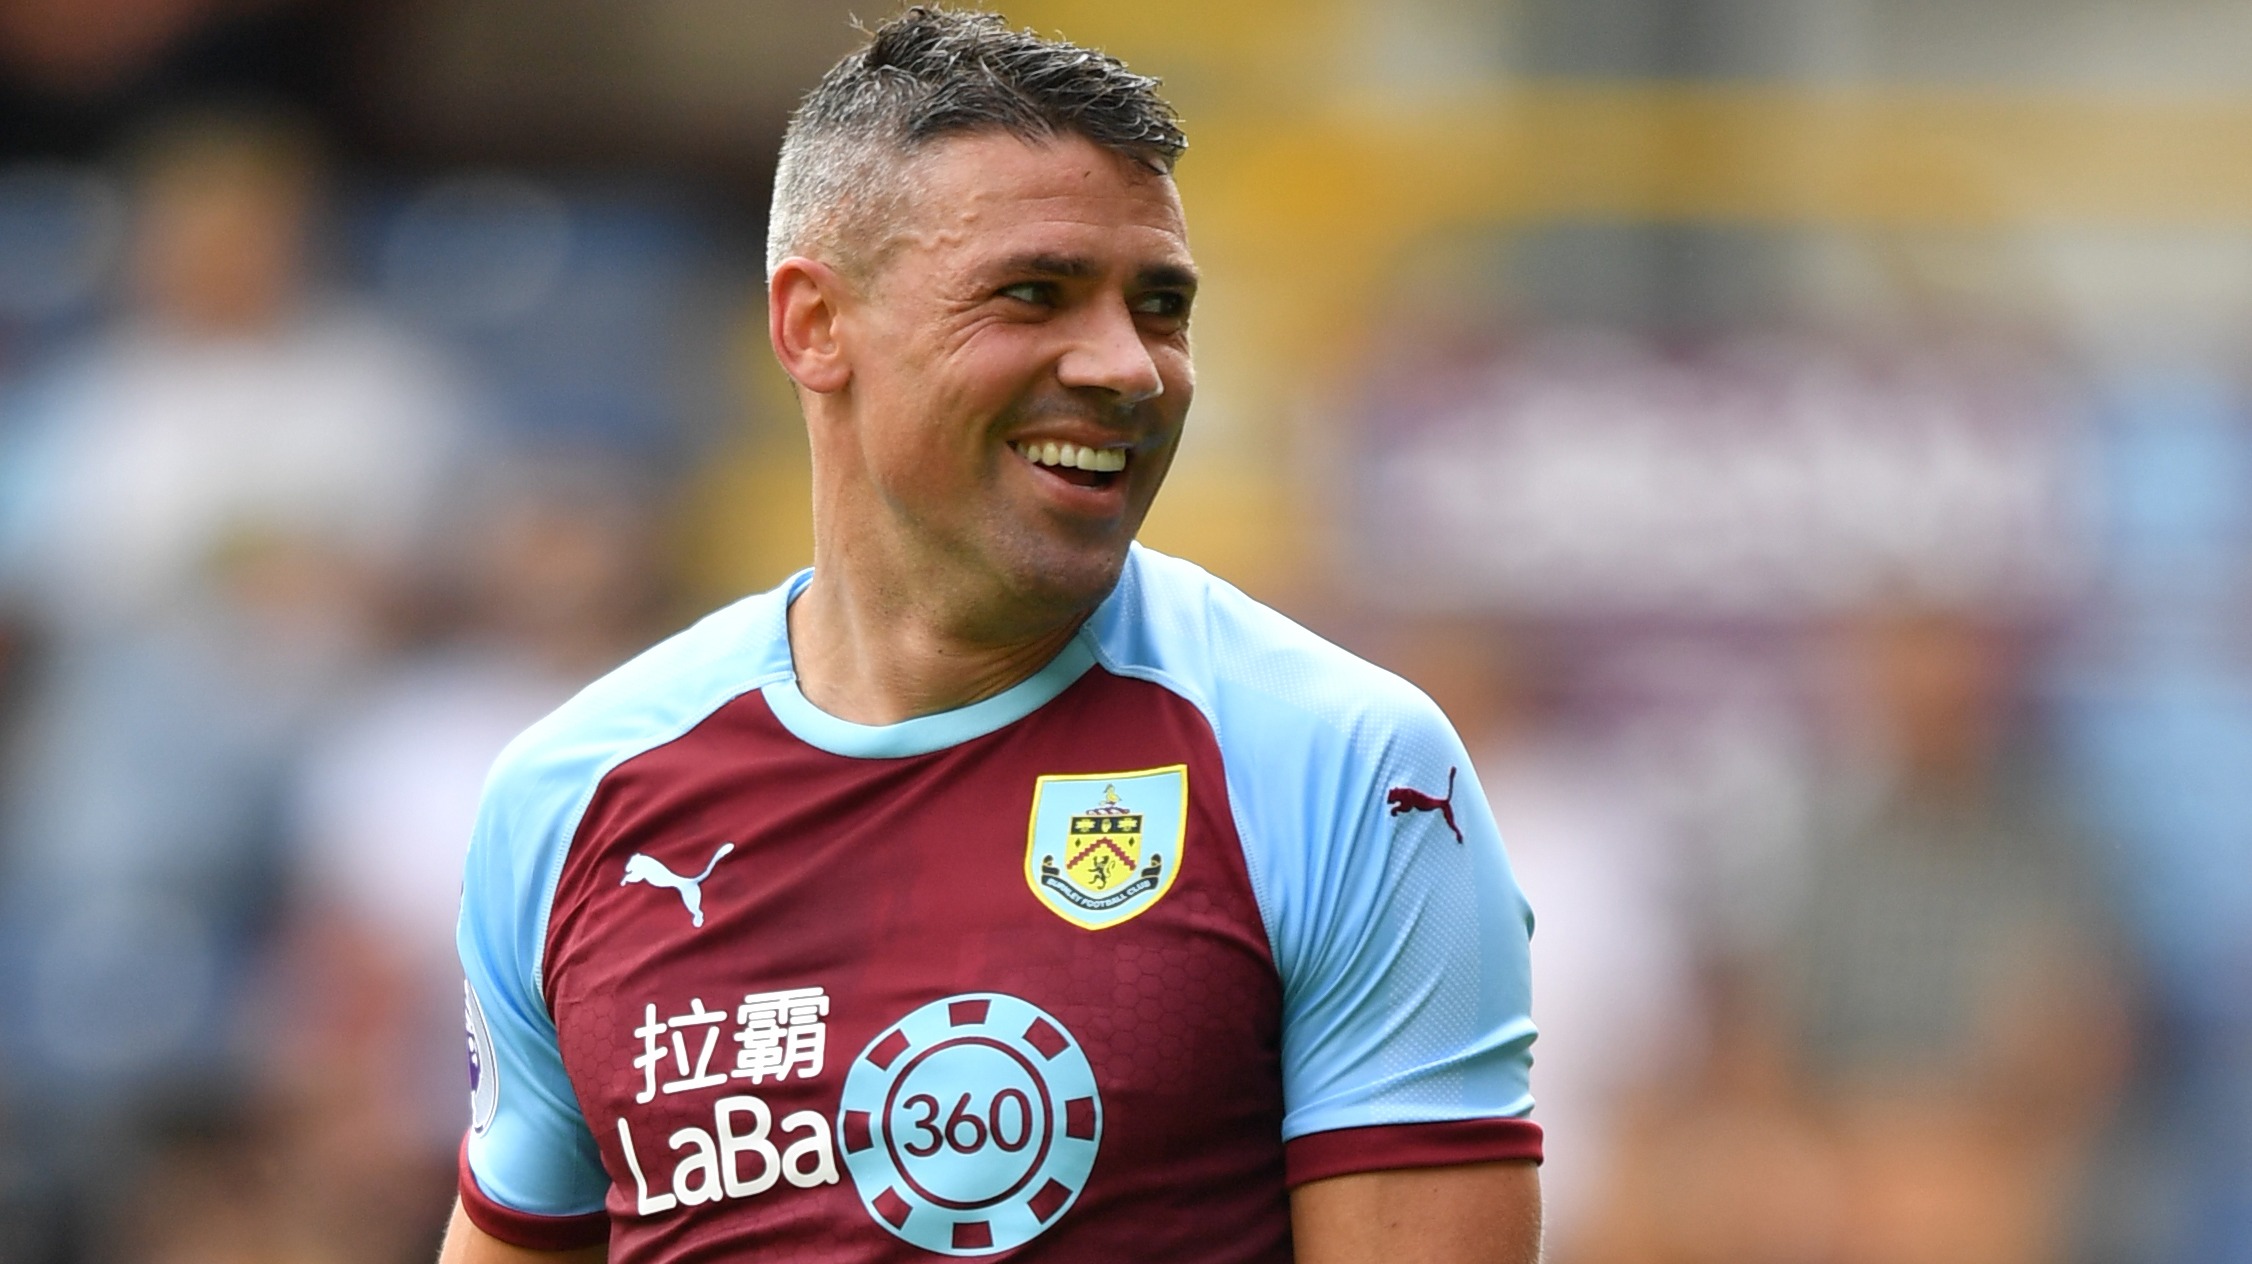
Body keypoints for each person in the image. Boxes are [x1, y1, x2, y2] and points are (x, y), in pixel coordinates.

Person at [444, 10, 1541, 1262]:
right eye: (1034, 293)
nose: (1127, 367)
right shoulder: (570, 796)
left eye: (1160, 306)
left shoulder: (1342, 765)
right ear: (814, 324)